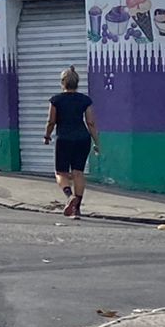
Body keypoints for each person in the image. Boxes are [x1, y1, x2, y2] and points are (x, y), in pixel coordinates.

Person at [44, 66, 99, 217]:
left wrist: (47, 136)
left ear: (63, 82)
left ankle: (70, 197)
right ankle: (77, 209)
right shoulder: (85, 100)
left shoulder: (56, 100)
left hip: (64, 139)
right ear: (77, 83)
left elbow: (51, 121)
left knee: (60, 172)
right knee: (78, 173)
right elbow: (91, 122)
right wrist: (96, 142)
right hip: (83, 139)